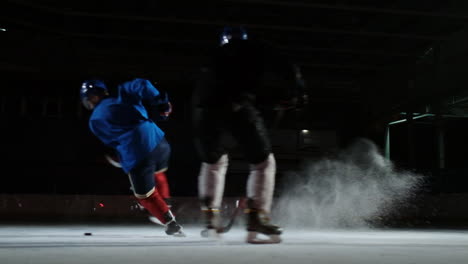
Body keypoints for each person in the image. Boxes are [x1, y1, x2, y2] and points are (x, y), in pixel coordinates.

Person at [192, 26, 307, 243]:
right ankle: (257, 219)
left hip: (203, 114)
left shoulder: (212, 58)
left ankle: (210, 219)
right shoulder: (254, 49)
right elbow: (286, 67)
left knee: (213, 163)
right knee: (263, 163)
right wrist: (296, 91)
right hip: (238, 108)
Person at [80, 78, 184, 236]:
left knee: (145, 196)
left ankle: (171, 222)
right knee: (158, 171)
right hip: (160, 142)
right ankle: (166, 200)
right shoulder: (122, 96)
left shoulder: (94, 120)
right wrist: (161, 102)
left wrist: (124, 161)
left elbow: (115, 142)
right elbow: (141, 84)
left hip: (138, 152)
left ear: (92, 97)